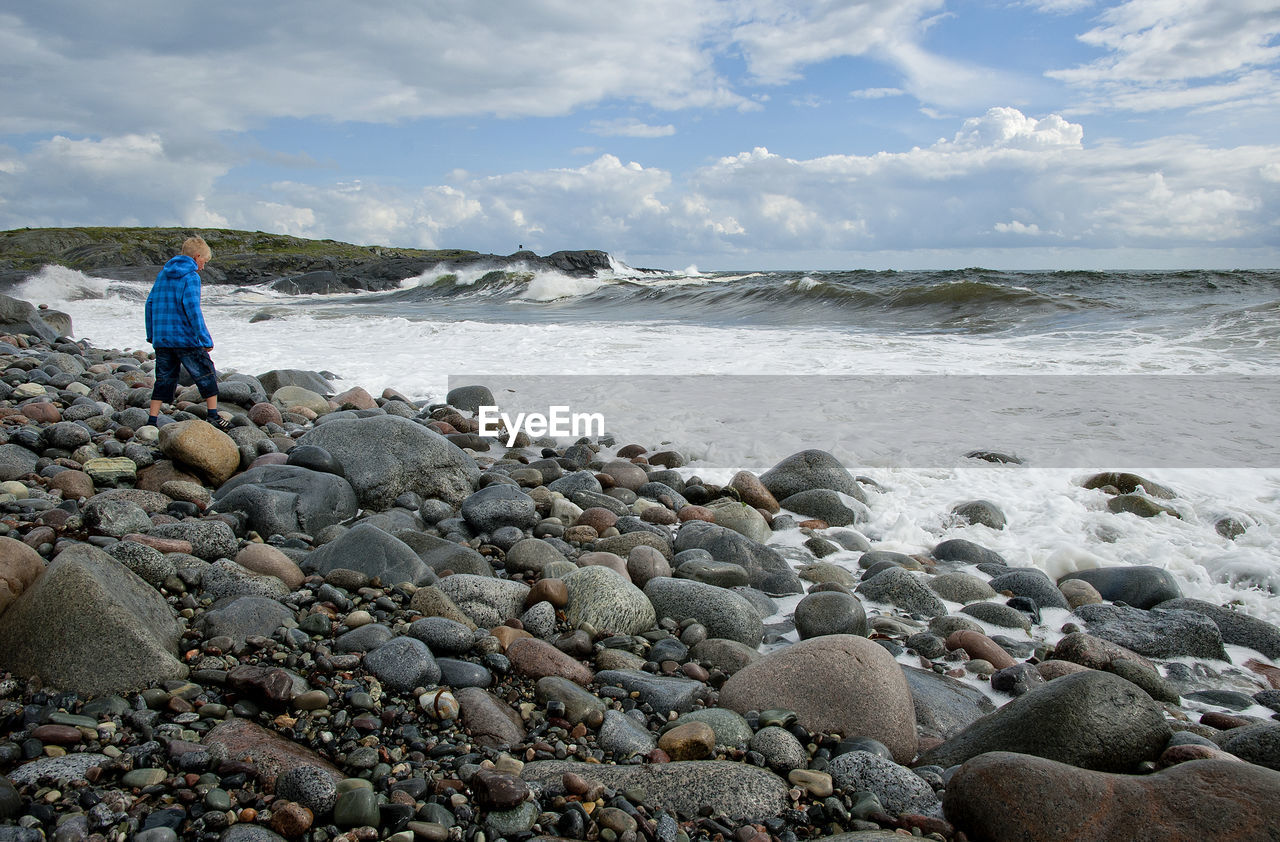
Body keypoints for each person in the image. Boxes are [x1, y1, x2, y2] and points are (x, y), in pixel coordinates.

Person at [144, 236, 233, 431]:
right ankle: (213, 415)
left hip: (163, 339)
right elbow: (192, 309)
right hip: (185, 337)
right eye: (204, 262)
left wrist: (152, 334)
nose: (203, 267)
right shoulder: (191, 277)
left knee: (164, 378)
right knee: (205, 372)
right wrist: (205, 338)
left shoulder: (163, 275)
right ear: (197, 256)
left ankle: (152, 421)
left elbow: (149, 304)